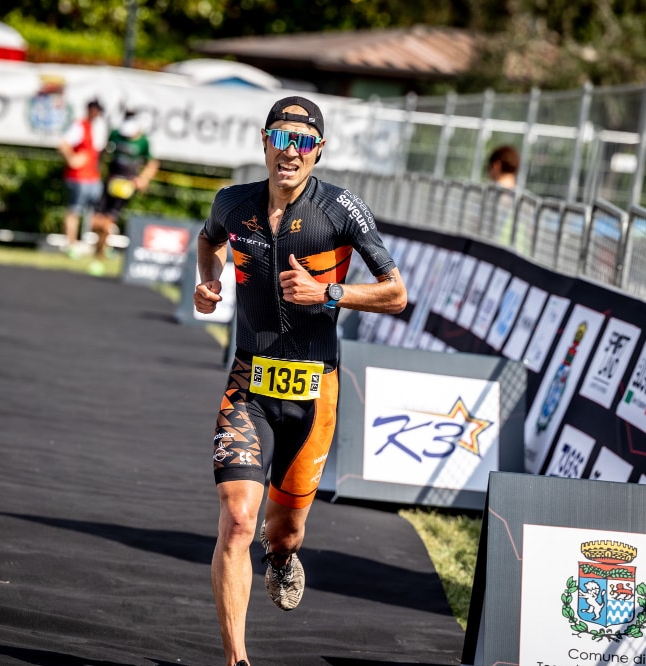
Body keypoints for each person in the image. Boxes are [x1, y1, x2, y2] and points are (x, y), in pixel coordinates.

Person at [194, 96, 407, 666]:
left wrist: (329, 292)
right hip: (248, 383)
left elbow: (396, 292)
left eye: (303, 142)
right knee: (238, 521)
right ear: (264, 142)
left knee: (283, 532)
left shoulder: (341, 209)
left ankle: (284, 557)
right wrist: (208, 282)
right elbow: (208, 241)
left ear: (318, 151)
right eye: (281, 139)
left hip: (315, 394)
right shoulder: (233, 203)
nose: (290, 152)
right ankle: (236, 659)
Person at [88, 109, 159, 264]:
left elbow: (152, 163)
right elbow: (102, 152)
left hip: (125, 188)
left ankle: (100, 253)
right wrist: (98, 168)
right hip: (109, 183)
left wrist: (143, 179)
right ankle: (102, 246)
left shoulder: (143, 141)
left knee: (107, 223)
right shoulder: (115, 134)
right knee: (95, 222)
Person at [57, 99, 106, 257]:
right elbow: (63, 145)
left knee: (96, 213)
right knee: (74, 211)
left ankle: (99, 247)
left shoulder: (99, 128)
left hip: (93, 177)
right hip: (78, 177)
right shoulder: (79, 125)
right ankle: (71, 245)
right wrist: (72, 159)